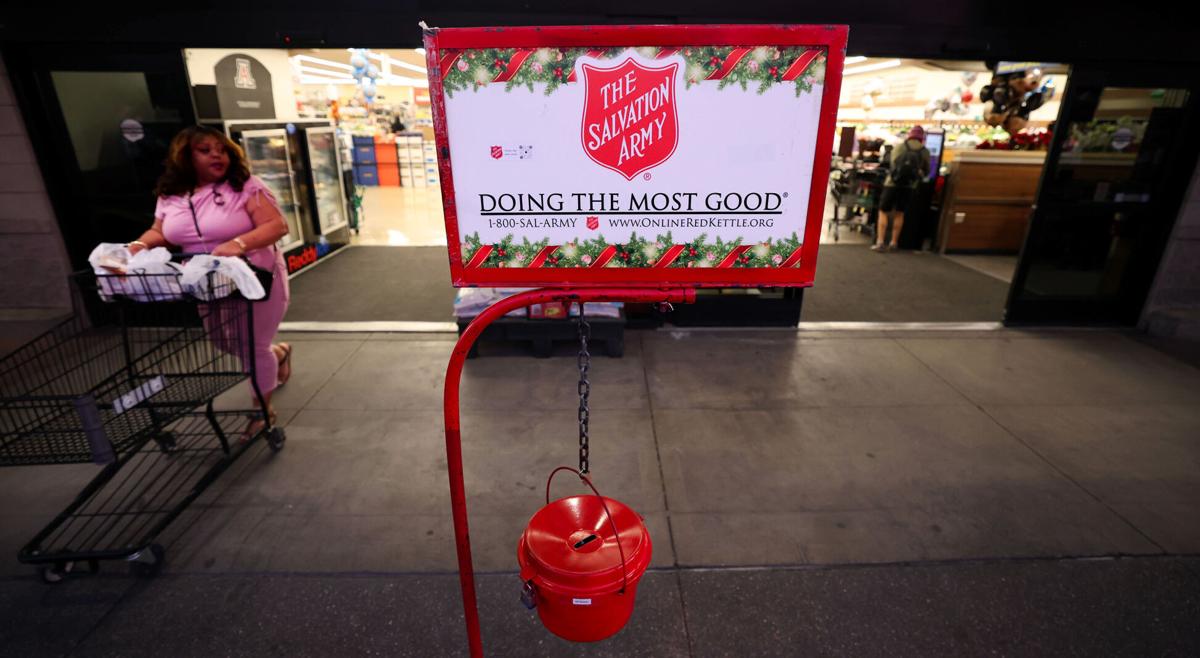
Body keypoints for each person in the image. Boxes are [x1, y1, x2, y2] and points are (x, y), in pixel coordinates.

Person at [127, 126, 293, 432]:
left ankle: (262, 412)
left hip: (254, 278)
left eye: (221, 149)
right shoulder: (170, 195)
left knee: (253, 345)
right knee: (222, 341)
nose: (217, 155)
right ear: (185, 157)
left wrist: (239, 244)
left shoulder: (245, 186)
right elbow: (161, 231)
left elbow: (277, 225)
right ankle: (279, 354)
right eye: (205, 150)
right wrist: (138, 245)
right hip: (205, 281)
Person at [874, 125, 931, 252]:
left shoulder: (900, 146)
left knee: (883, 211)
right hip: (909, 186)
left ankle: (880, 241)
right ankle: (894, 242)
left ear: (910, 134)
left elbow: (892, 164)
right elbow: (927, 171)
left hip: (891, 184)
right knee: (899, 213)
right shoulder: (924, 151)